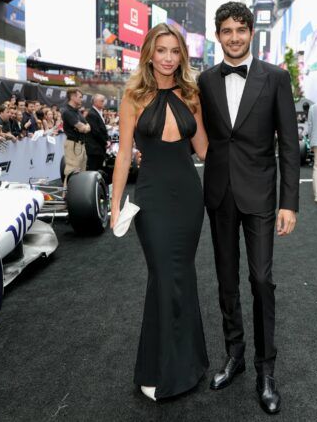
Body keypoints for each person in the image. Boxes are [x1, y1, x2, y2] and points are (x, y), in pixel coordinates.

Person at [198, 2, 299, 415]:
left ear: (252, 33)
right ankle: (235, 355)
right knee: (226, 280)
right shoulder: (205, 80)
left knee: (261, 280)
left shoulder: (275, 77)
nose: (234, 37)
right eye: (227, 30)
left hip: (260, 195)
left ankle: (266, 370)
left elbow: (289, 144)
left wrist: (289, 202)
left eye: (241, 29)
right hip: (219, 194)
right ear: (217, 36)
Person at [110, 23, 209, 401]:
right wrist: (115, 204)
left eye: (175, 51)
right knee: (163, 275)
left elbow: (205, 150)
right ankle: (159, 367)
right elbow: (123, 156)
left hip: (188, 197)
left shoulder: (192, 95)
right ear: (149, 54)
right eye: (162, 50)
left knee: (182, 274)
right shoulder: (133, 97)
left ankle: (187, 364)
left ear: (182, 55)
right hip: (151, 198)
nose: (168, 58)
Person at [62, 89, 91, 181]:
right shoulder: (67, 111)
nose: (82, 99)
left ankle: (79, 191)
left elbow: (88, 126)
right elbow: (82, 128)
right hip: (73, 145)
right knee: (72, 172)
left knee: (82, 174)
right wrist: (83, 128)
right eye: (80, 97)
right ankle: (67, 191)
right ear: (72, 97)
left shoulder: (77, 111)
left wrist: (84, 127)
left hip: (81, 145)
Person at [85, 94, 110, 172]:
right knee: (93, 171)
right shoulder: (92, 114)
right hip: (94, 149)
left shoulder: (99, 112)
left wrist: (107, 140)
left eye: (104, 101)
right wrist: (105, 142)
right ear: (95, 102)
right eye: (102, 101)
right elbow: (96, 132)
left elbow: (103, 129)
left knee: (98, 170)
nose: (104, 103)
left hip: (99, 148)